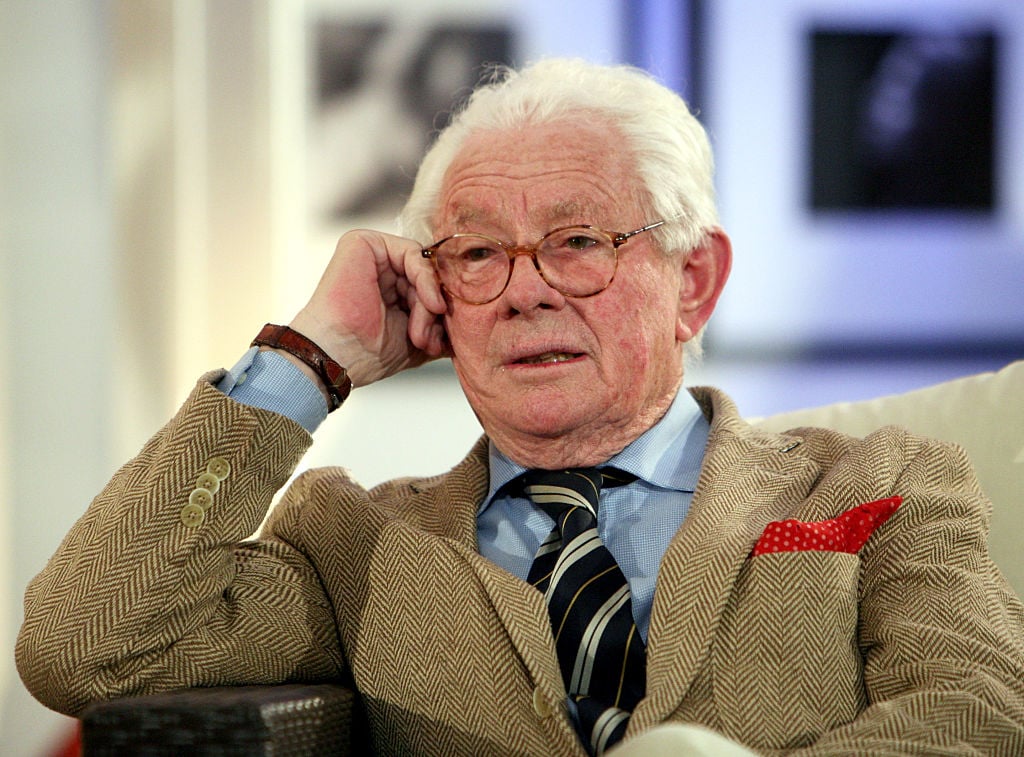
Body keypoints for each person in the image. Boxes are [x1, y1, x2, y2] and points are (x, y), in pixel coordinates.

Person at [16, 58, 1024, 756]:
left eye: (579, 241)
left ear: (694, 281)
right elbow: (85, 643)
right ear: (436, 294)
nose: (527, 288)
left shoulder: (879, 479)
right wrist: (309, 357)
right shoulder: (351, 539)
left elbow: (977, 708)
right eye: (478, 253)